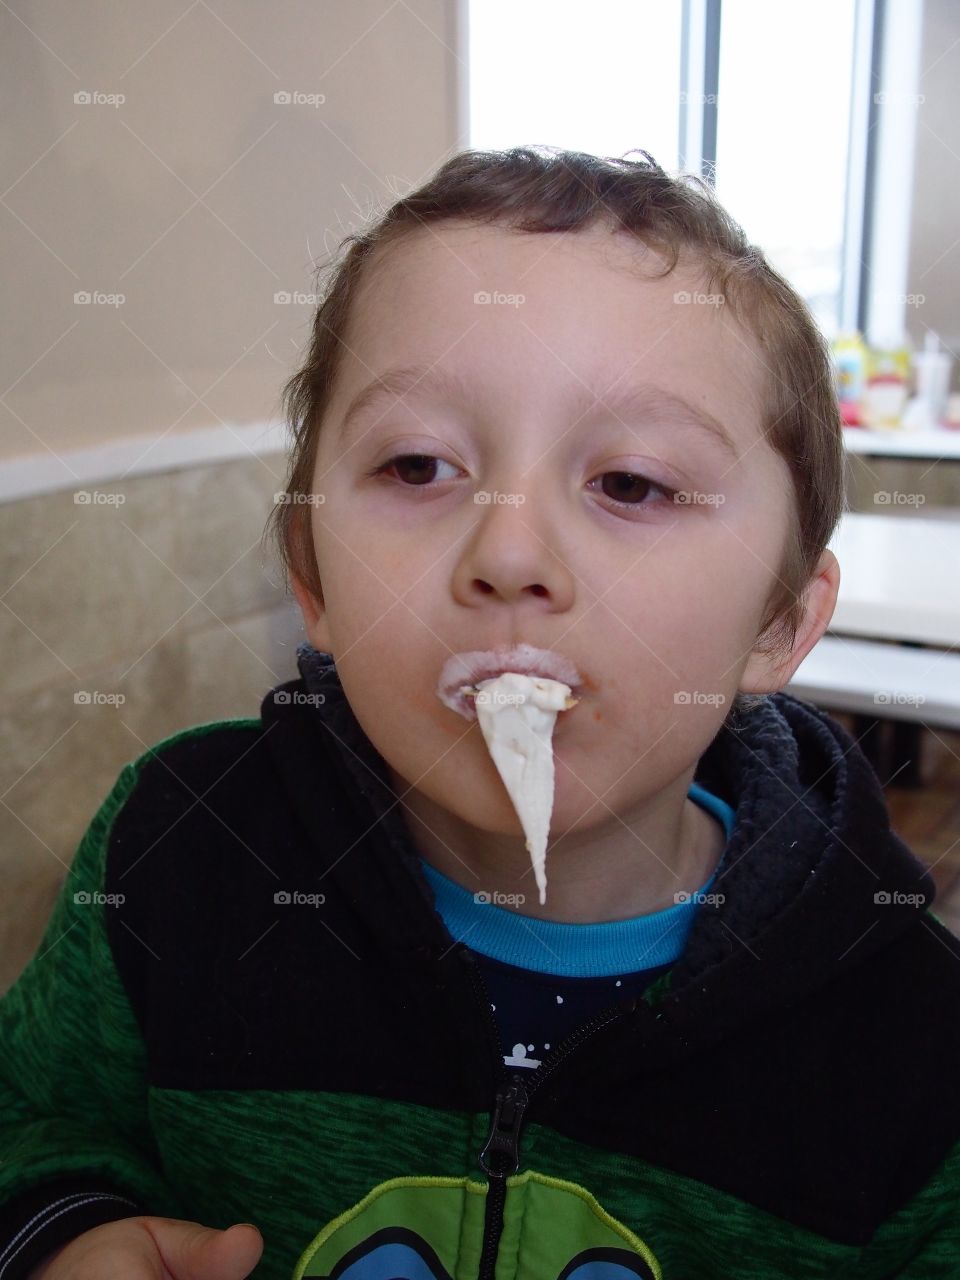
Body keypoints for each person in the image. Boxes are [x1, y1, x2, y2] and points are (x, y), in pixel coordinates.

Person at [2, 146, 958, 1280]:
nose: (508, 551)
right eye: (418, 465)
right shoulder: (176, 852)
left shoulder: (909, 1045)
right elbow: (39, 1121)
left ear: (778, 624)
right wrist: (65, 1231)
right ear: (312, 576)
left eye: (633, 483)